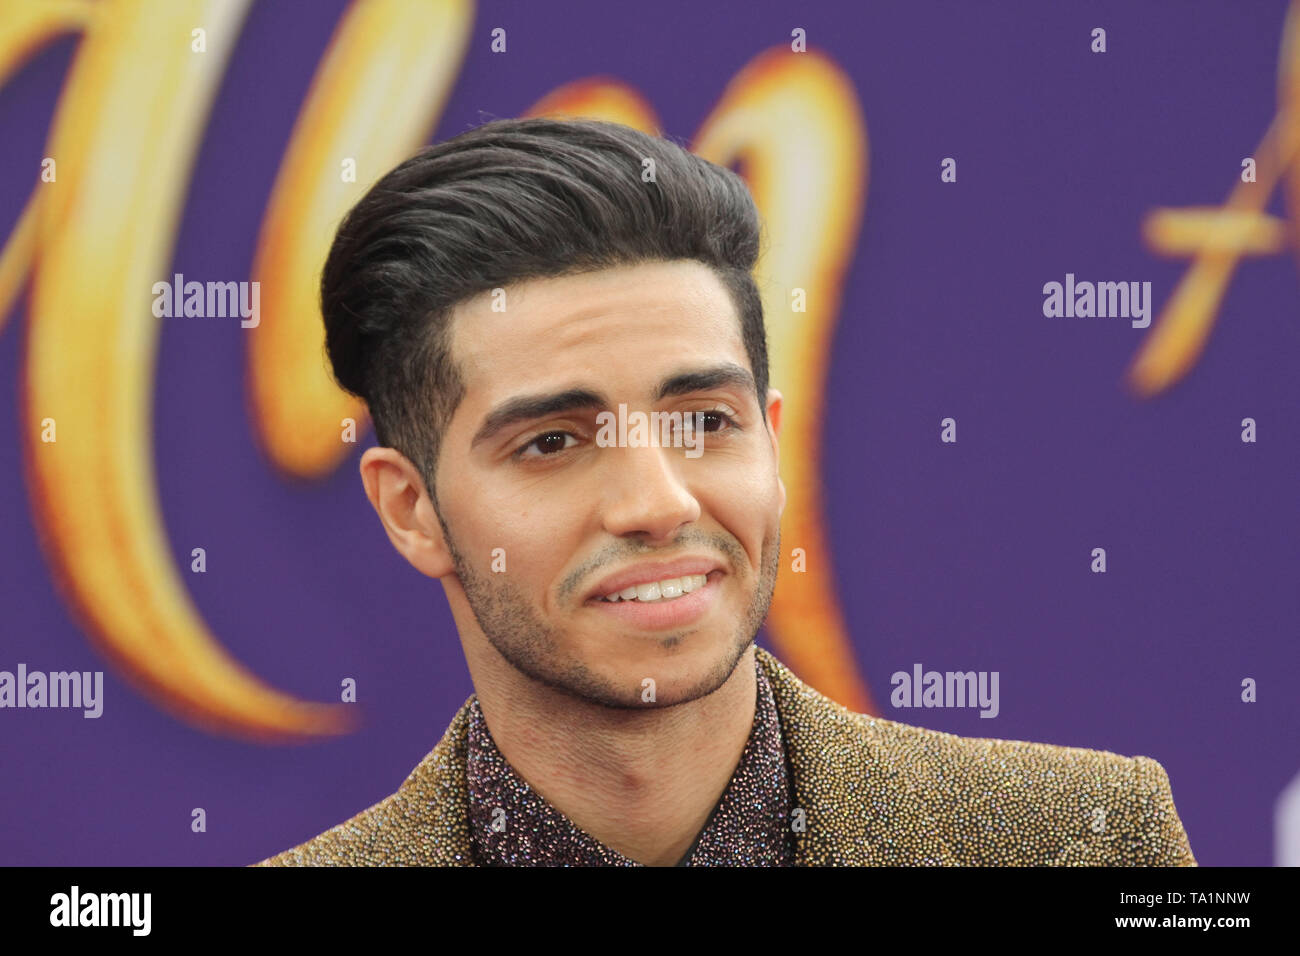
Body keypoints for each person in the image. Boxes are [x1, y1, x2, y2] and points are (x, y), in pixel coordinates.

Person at [254, 117, 1195, 867]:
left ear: (773, 443)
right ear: (410, 511)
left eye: (705, 422)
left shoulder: (1083, 843)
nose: (658, 504)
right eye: (551, 442)